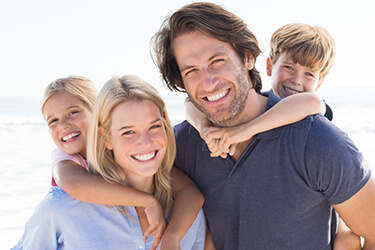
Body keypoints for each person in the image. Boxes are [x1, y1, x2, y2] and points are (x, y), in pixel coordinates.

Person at [151, 2, 375, 249]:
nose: (208, 82)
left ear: (248, 57)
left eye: (217, 61)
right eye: (191, 71)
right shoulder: (180, 145)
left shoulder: (317, 141)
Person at [12, 75, 207, 249]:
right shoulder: (62, 201)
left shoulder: (186, 215)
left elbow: (188, 190)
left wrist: (171, 237)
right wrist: (148, 201)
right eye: (128, 132)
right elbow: (75, 185)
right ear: (104, 137)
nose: (145, 143)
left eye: (154, 127)